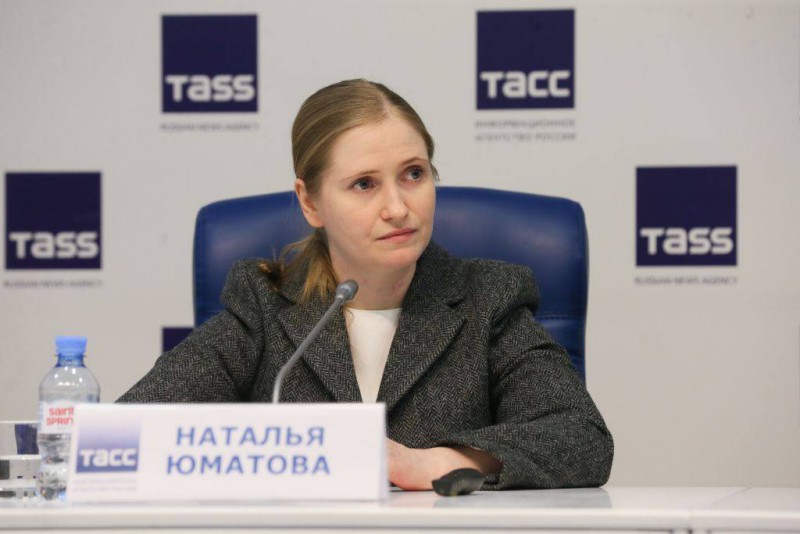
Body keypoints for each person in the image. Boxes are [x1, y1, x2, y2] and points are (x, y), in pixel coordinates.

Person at [119, 79, 614, 490]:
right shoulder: (263, 305)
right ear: (310, 202)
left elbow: (582, 438)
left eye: (414, 174)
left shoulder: (488, 298)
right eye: (364, 184)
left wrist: (432, 463)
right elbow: (127, 434)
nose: (398, 208)